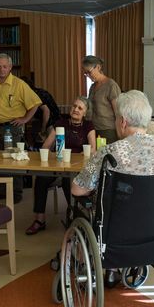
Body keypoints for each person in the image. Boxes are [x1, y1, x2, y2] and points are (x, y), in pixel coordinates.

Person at [72, 90, 154, 287]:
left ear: (122, 121)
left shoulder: (109, 152)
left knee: (81, 208)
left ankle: (89, 264)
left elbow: (77, 189)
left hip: (116, 230)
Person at [25, 96, 96, 235]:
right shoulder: (61, 123)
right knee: (41, 178)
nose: (75, 109)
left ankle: (73, 217)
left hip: (75, 168)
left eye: (80, 108)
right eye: (74, 106)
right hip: (57, 167)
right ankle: (39, 220)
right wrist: (49, 153)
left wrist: (81, 154)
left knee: (67, 180)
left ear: (85, 113)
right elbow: (46, 146)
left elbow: (93, 148)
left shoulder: (88, 126)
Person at [0, 53, 42, 203]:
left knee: (13, 160)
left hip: (11, 128)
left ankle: (16, 193)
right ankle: (2, 190)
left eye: (5, 66)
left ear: (10, 67)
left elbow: (35, 103)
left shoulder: (19, 84)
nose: (2, 69)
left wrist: (25, 119)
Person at [82, 55, 121, 144]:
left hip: (108, 130)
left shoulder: (111, 85)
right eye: (85, 73)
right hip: (93, 129)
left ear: (98, 67)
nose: (87, 75)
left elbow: (118, 112)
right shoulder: (92, 87)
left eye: (89, 72)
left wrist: (119, 133)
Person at [21, 77, 61, 147]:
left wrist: (43, 129)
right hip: (47, 119)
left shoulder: (35, 94)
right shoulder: (36, 91)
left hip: (52, 121)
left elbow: (46, 111)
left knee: (50, 146)